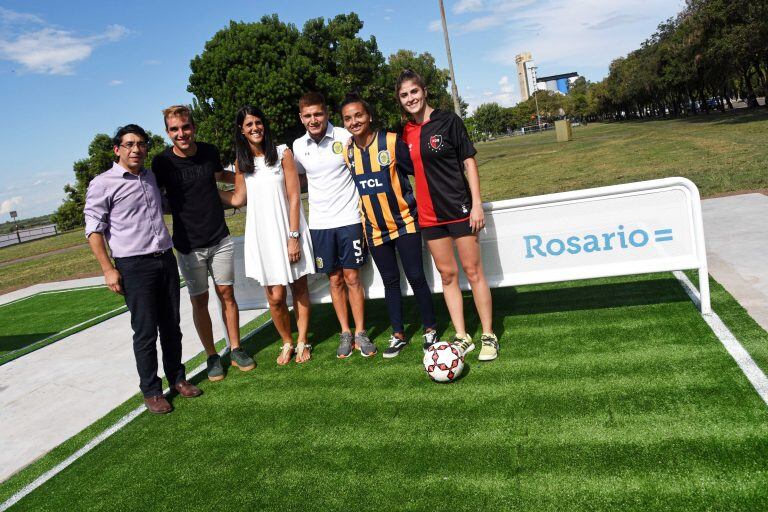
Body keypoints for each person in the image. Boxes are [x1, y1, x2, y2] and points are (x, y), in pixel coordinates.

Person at [84, 124, 201, 414]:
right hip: (134, 266)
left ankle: (178, 379)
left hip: (164, 259)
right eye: (129, 144)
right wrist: (108, 269)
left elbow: (168, 205)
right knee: (146, 331)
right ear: (117, 149)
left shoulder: (150, 177)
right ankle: (151, 391)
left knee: (171, 326)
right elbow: (93, 230)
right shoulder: (103, 183)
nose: (136, 149)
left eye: (141, 144)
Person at [396, 70, 499, 361]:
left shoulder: (449, 121)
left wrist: (477, 203)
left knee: (474, 271)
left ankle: (489, 335)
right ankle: (462, 336)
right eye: (404, 95)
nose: (410, 99)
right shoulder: (406, 132)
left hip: (459, 209)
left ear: (424, 91)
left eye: (414, 92)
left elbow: (469, 161)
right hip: (429, 217)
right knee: (447, 275)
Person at [152, 105, 255, 381]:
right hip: (187, 245)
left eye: (185, 127)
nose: (181, 133)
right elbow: (152, 197)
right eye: (174, 129)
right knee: (200, 301)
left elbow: (221, 179)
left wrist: (254, 176)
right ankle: (212, 356)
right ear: (168, 132)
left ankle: (236, 348)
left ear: (193, 127)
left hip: (219, 238)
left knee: (228, 296)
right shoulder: (161, 163)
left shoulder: (208, 152)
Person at [340, 93, 438, 357]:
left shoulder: (391, 141)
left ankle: (430, 328)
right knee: (390, 282)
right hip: (374, 229)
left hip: (405, 222)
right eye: (348, 118)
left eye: (358, 115)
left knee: (417, 277)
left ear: (369, 116)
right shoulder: (348, 151)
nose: (354, 121)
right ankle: (398, 334)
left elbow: (414, 172)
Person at [223, 106, 314, 364]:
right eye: (249, 125)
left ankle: (302, 341)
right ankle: (286, 340)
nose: (255, 128)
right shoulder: (242, 164)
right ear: (241, 130)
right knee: (275, 297)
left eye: (258, 122)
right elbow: (239, 198)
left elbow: (295, 196)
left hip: (288, 230)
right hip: (262, 238)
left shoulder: (283, 153)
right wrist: (205, 188)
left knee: (299, 288)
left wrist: (294, 235)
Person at [292, 92, 375, 358]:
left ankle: (361, 332)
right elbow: (295, 182)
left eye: (318, 114)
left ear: (326, 114)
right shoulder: (297, 146)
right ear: (301, 118)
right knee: (335, 279)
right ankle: (345, 332)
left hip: (349, 219)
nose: (313, 120)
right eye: (308, 116)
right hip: (320, 224)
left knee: (352, 277)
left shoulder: (344, 136)